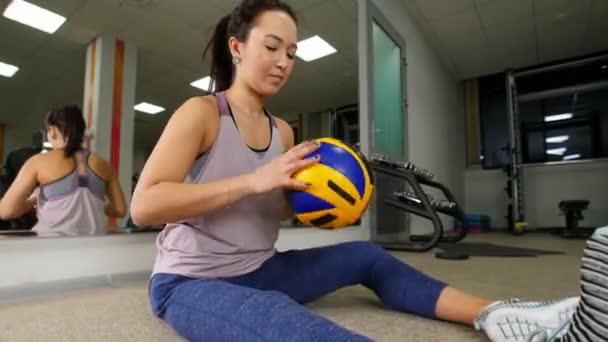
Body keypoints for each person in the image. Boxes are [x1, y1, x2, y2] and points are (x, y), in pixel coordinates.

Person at [131, 1, 582, 341]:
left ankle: (499, 315)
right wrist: (253, 180)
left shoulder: (283, 132)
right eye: (272, 47)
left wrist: (330, 199)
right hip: (190, 281)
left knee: (366, 256)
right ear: (237, 46)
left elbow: (276, 205)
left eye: (292, 52)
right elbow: (146, 205)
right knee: (286, 323)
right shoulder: (202, 113)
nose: (284, 61)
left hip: (262, 266)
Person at [0, 105, 127, 237]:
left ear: (52, 130)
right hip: (92, 250)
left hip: (52, 249)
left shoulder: (37, 162)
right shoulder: (104, 165)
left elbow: (6, 210)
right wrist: (94, 205)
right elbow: (120, 209)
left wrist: (33, 200)